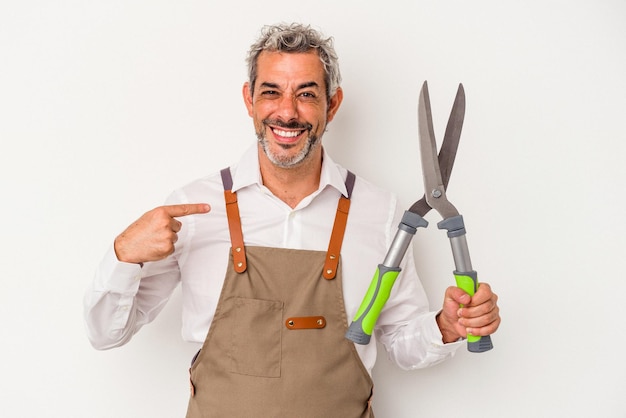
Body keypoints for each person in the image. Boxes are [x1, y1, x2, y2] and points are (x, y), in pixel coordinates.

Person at [84, 22, 500, 417]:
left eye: (306, 93)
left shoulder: (381, 212)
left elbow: (402, 342)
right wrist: (124, 256)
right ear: (249, 100)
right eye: (271, 92)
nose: (287, 113)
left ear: (332, 104)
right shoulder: (195, 208)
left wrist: (447, 326)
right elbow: (106, 334)